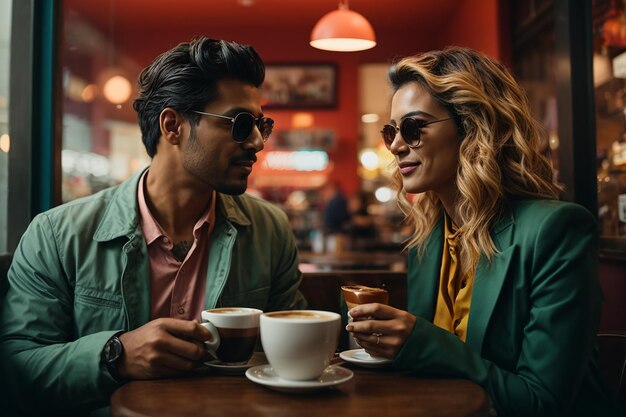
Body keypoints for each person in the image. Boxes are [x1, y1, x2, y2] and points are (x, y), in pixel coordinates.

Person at [0, 37, 305, 417]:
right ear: (173, 125)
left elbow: (289, 348)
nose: (258, 141)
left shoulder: (270, 230)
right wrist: (116, 356)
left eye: (263, 124)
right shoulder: (57, 235)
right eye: (241, 124)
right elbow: (16, 368)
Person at [346, 47, 623, 417]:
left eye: (412, 127)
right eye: (390, 131)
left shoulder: (556, 231)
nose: (396, 145)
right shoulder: (428, 239)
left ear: (473, 126)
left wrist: (421, 341)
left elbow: (542, 403)